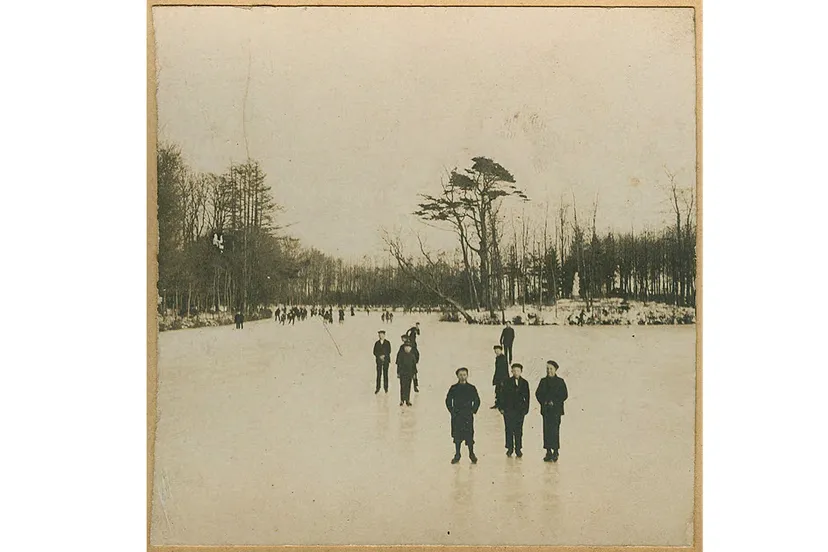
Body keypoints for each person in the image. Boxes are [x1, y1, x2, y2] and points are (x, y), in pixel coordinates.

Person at [535, 360, 569, 462]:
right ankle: (548, 451)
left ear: (555, 370)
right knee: (546, 431)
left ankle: (556, 451)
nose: (549, 371)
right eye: (547, 369)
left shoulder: (560, 381)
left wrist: (554, 402)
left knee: (555, 431)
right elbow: (538, 394)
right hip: (546, 410)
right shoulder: (543, 381)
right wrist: (545, 401)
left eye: (551, 369)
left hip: (556, 411)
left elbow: (564, 395)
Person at [445, 368, 481, 464]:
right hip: (457, 415)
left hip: (467, 415)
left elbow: (477, 400)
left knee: (469, 435)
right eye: (460, 375)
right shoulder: (453, 388)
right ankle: (457, 454)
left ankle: (471, 454)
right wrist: (452, 411)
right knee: (457, 436)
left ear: (467, 375)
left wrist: (473, 410)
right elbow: (448, 400)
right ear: (457, 376)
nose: (462, 377)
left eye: (464, 374)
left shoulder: (471, 388)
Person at [499, 363, 530, 457]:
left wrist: (526, 409)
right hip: (508, 410)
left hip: (520, 410)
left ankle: (518, 448)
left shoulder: (524, 383)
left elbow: (527, 397)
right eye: (514, 371)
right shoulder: (506, 382)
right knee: (509, 429)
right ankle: (510, 448)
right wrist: (501, 408)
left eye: (518, 371)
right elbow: (501, 395)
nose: (516, 372)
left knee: (518, 429)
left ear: (521, 372)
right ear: (511, 371)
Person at [396, 342, 417, 406]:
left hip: (409, 374)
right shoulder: (401, 356)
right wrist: (398, 373)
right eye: (406, 347)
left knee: (408, 387)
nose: (407, 348)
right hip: (403, 374)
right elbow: (399, 365)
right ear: (404, 348)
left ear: (410, 348)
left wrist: (414, 374)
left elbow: (414, 366)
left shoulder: (412, 356)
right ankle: (402, 400)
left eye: (409, 347)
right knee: (402, 387)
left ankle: (407, 400)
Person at [406, 322, 421, 392]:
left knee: (414, 374)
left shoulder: (413, 345)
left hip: (412, 363)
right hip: (410, 364)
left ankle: (415, 386)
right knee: (413, 374)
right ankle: (415, 386)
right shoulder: (412, 345)